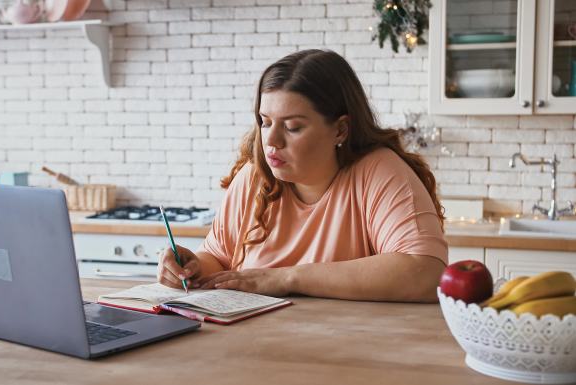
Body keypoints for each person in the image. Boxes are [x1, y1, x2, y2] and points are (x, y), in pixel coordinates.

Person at [158, 49, 448, 303]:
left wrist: (287, 278)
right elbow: (220, 260)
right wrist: (193, 266)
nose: (271, 141)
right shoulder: (253, 178)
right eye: (265, 122)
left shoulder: (378, 172)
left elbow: (425, 271)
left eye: (293, 127)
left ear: (340, 130)